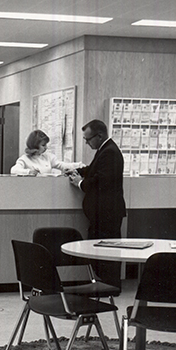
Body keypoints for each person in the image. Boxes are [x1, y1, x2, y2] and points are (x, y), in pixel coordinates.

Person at [68, 119, 126, 289]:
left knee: (106, 251)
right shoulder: (105, 149)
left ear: (99, 136)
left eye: (88, 139)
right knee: (100, 251)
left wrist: (80, 183)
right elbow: (93, 169)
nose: (86, 143)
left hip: (107, 213)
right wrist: (78, 171)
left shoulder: (109, 152)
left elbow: (100, 181)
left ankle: (109, 286)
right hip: (103, 213)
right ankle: (104, 284)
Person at [10, 129, 85, 176]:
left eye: (46, 144)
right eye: (43, 145)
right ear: (35, 145)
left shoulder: (48, 157)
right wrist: (29, 172)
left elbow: (61, 165)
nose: (46, 147)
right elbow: (13, 170)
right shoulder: (24, 159)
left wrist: (79, 165)